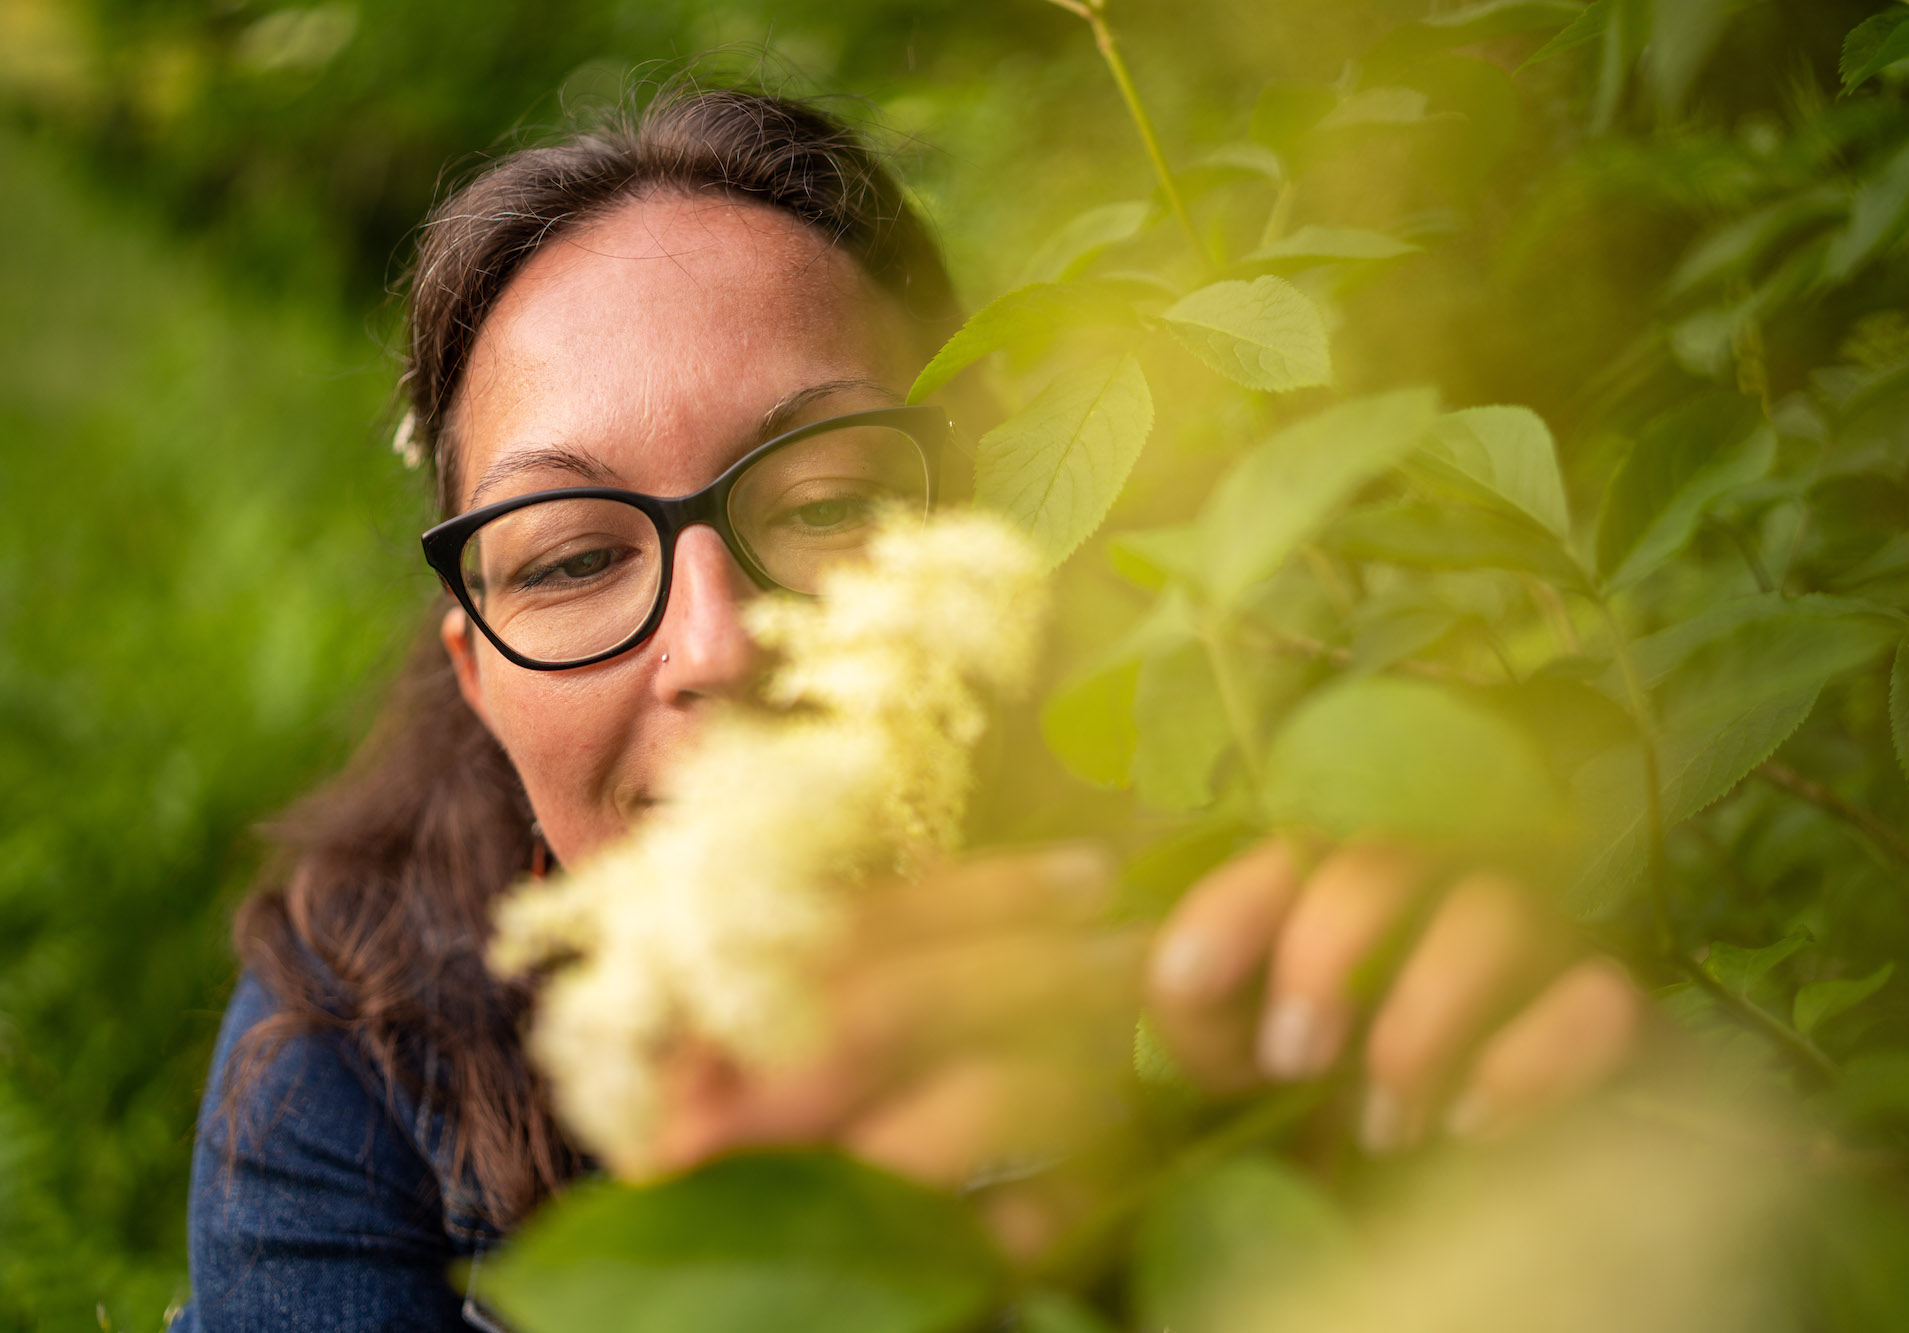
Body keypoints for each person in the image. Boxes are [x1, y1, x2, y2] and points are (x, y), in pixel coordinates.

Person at [175, 84, 1645, 1331]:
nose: (719, 647)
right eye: (570, 559)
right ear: (478, 675)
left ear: (990, 555)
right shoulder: (355, 1045)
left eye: (828, 502)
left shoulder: (1214, 932)